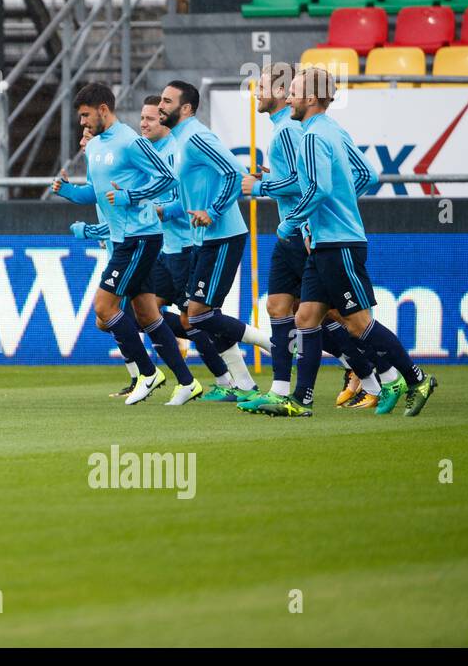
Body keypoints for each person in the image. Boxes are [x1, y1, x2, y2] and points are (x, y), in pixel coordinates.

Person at [253, 67, 436, 417]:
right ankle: (301, 399)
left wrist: (290, 223)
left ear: (309, 98)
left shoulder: (310, 136)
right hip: (327, 240)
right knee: (306, 317)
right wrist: (342, 202)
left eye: (293, 92)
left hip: (338, 243)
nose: (288, 98)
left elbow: (317, 190)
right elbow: (368, 173)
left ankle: (416, 378)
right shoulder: (331, 129)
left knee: (357, 323)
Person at [53, 83, 202, 406]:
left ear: (103, 110)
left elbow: (168, 177)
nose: (82, 123)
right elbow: (95, 191)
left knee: (104, 309)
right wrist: (67, 190)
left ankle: (148, 373)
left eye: (85, 115)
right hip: (123, 239)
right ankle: (187, 382)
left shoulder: (130, 141)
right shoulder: (93, 147)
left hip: (140, 237)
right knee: (147, 314)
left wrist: (131, 196)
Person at [155, 80, 272, 402]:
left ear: (187, 108)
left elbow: (234, 173)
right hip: (205, 237)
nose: (161, 106)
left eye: (167, 101)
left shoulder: (196, 136)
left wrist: (213, 210)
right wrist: (163, 212)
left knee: (200, 315)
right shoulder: (180, 140)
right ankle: (244, 385)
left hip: (223, 235)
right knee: (200, 316)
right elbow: (193, 195)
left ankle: (272, 343)